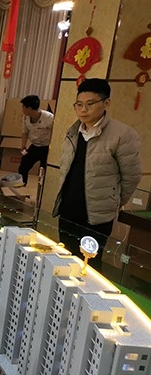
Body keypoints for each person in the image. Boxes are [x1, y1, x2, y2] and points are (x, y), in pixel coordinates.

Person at [53, 78, 141, 268]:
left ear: (106, 102)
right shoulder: (73, 131)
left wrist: (113, 202)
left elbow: (131, 177)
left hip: (97, 216)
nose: (83, 110)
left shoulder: (123, 134)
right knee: (65, 259)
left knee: (89, 265)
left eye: (90, 104)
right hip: (68, 209)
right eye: (79, 104)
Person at [18, 95, 54, 186]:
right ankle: (22, 186)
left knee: (45, 171)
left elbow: (56, 133)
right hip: (35, 146)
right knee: (23, 166)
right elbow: (25, 132)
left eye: (23, 107)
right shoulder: (25, 117)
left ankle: (43, 191)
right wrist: (23, 145)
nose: (22, 109)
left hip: (47, 148)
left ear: (29, 108)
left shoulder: (49, 118)